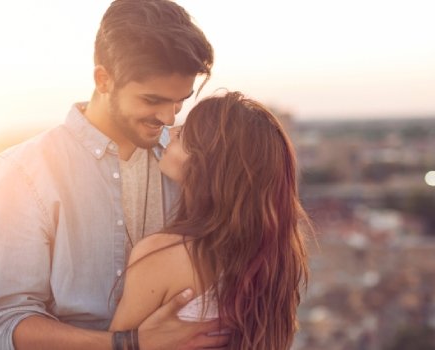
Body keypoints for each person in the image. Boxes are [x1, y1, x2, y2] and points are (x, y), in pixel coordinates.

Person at [0, 1, 226, 349]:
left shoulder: (184, 159)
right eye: (152, 99)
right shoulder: (23, 172)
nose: (169, 118)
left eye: (179, 102)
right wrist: (128, 344)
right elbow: (2, 326)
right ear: (103, 79)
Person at [107, 91, 311, 349]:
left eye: (186, 133)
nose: (174, 128)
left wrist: (133, 343)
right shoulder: (274, 260)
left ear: (208, 163)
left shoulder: (162, 255)